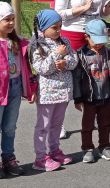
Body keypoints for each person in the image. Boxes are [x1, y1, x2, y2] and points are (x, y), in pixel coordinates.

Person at [54, 0, 110, 139]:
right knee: (69, 77)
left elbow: (103, 13)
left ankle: (98, 116)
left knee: (96, 75)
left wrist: (108, 7)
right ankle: (59, 123)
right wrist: (82, 8)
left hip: (94, 34)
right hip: (72, 33)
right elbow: (58, 13)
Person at [0, 2, 37, 179]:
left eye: (12, 19)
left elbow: (26, 67)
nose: (11, 23)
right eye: (6, 20)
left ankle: (8, 157)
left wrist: (31, 86)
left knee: (10, 127)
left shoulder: (17, 41)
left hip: (15, 87)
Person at [29, 10, 78, 171]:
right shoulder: (37, 45)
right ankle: (40, 157)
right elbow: (42, 68)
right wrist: (57, 56)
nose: (58, 30)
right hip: (47, 93)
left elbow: (74, 60)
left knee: (57, 124)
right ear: (43, 28)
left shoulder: (64, 41)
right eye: (54, 27)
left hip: (63, 91)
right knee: (43, 125)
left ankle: (55, 151)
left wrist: (65, 62)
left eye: (60, 26)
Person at [73, 19, 110, 163]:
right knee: (87, 125)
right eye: (96, 40)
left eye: (102, 40)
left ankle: (104, 146)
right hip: (89, 98)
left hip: (106, 96)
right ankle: (87, 149)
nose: (99, 44)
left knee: (105, 124)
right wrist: (78, 99)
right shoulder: (80, 54)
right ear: (87, 37)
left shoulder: (109, 52)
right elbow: (77, 79)